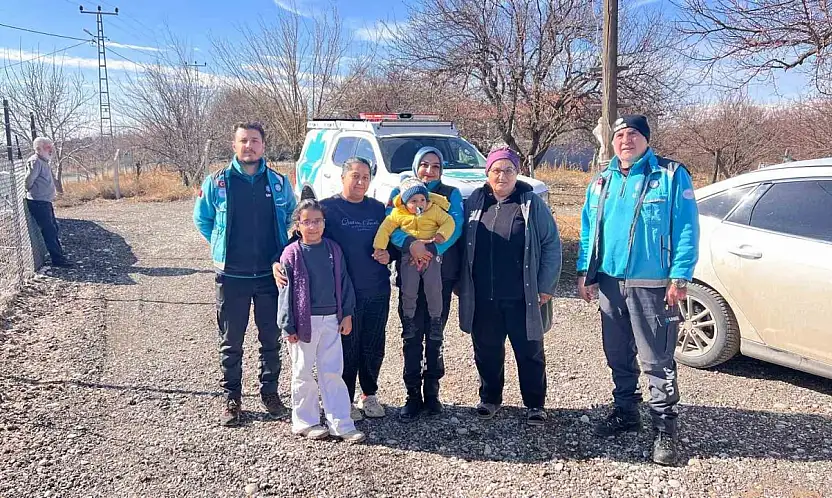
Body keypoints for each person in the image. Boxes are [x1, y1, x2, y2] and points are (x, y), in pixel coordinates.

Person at [576, 115, 699, 466]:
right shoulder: (602, 180)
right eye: (619, 136)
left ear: (645, 139)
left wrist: (679, 277)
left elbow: (687, 228)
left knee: (656, 358)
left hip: (653, 283)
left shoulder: (670, 175)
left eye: (632, 134)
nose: (625, 140)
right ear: (611, 142)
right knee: (617, 353)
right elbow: (588, 230)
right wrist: (586, 270)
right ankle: (626, 412)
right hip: (611, 282)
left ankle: (665, 429)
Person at [193, 122, 296, 427]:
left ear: (263, 146)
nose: (249, 146)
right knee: (231, 341)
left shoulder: (278, 182)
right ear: (234, 145)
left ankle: (270, 394)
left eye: (254, 141)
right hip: (232, 276)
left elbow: (292, 215)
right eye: (243, 141)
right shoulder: (217, 182)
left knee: (270, 340)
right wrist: (222, 246)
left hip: (270, 275)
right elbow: (203, 220)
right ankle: (232, 399)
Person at [457, 146, 562, 426]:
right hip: (483, 296)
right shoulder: (475, 201)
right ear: (487, 173)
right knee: (486, 350)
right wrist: (459, 283)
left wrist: (546, 285)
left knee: (529, 350)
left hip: (522, 296)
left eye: (508, 170)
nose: (502, 175)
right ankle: (490, 399)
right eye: (496, 170)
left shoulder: (530, 203)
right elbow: (458, 242)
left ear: (517, 172)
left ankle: (535, 404)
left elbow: (551, 243)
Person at [276, 199, 365, 443]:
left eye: (317, 221)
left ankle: (341, 423)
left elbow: (345, 283)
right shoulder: (291, 254)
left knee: (332, 371)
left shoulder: (333, 250)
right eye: (307, 222)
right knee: (303, 372)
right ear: (298, 225)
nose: (313, 226)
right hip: (302, 321)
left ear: (324, 224)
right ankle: (305, 421)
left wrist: (346, 313)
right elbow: (285, 292)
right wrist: (287, 324)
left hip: (331, 320)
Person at [386, 147, 464, 422]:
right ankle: (412, 396)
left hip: (438, 275)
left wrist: (429, 250)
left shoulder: (450, 194)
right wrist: (411, 245)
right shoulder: (400, 193)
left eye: (435, 166)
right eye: (424, 165)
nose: (429, 171)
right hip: (408, 272)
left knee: (434, 334)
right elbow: (391, 227)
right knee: (410, 334)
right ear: (415, 166)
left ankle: (432, 393)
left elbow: (455, 226)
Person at [319, 157, 391, 420]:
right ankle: (344, 397)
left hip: (377, 288)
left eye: (365, 177)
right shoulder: (327, 209)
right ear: (342, 177)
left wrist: (389, 255)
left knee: (373, 344)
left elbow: (392, 242)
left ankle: (369, 394)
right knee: (346, 346)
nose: (360, 181)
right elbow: (305, 237)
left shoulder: (377, 209)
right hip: (343, 293)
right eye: (355, 176)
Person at [24, 137, 71, 267]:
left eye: (51, 146)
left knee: (54, 228)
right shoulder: (35, 161)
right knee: (49, 231)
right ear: (39, 149)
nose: (51, 149)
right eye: (47, 147)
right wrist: (32, 192)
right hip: (38, 202)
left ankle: (59, 256)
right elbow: (28, 181)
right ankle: (58, 260)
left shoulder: (44, 161)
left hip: (45, 201)